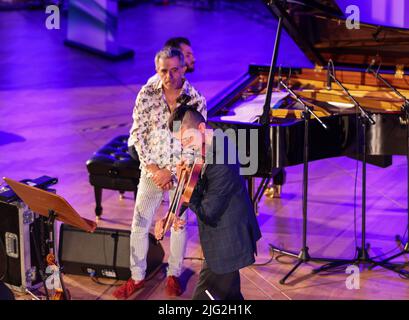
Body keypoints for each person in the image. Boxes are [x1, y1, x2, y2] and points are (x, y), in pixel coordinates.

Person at [113, 47, 206, 299]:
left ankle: (174, 274)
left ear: (184, 68)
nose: (169, 76)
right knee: (139, 223)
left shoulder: (196, 99)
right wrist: (154, 170)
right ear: (157, 70)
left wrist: (170, 172)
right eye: (164, 71)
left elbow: (196, 145)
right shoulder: (146, 94)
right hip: (151, 171)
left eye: (175, 69)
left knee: (178, 223)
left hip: (180, 174)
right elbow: (138, 135)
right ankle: (137, 277)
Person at [167, 105, 262, 300]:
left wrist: (183, 182)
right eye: (181, 142)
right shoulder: (205, 143)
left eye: (187, 140)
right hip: (219, 240)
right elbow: (197, 184)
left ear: (201, 128)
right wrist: (174, 212)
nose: (185, 147)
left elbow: (207, 211)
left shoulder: (222, 159)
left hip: (228, 242)